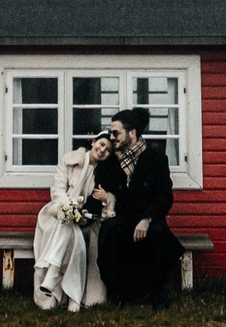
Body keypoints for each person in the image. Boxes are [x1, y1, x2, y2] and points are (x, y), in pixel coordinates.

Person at [92, 108, 184, 305]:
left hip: (147, 216)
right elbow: (98, 192)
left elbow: (164, 196)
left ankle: (156, 291)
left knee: (157, 233)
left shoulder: (156, 159)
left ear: (132, 133)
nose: (111, 137)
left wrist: (147, 219)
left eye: (116, 133)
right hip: (122, 217)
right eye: (110, 132)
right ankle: (117, 292)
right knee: (111, 231)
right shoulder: (109, 162)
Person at [33, 132, 111, 310]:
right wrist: (71, 208)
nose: (102, 150)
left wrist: (84, 216)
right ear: (93, 142)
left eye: (108, 149)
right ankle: (73, 300)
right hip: (57, 213)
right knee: (67, 225)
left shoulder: (103, 174)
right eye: (101, 144)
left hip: (85, 220)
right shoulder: (70, 161)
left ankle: (53, 275)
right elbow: (57, 190)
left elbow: (100, 205)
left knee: (75, 236)